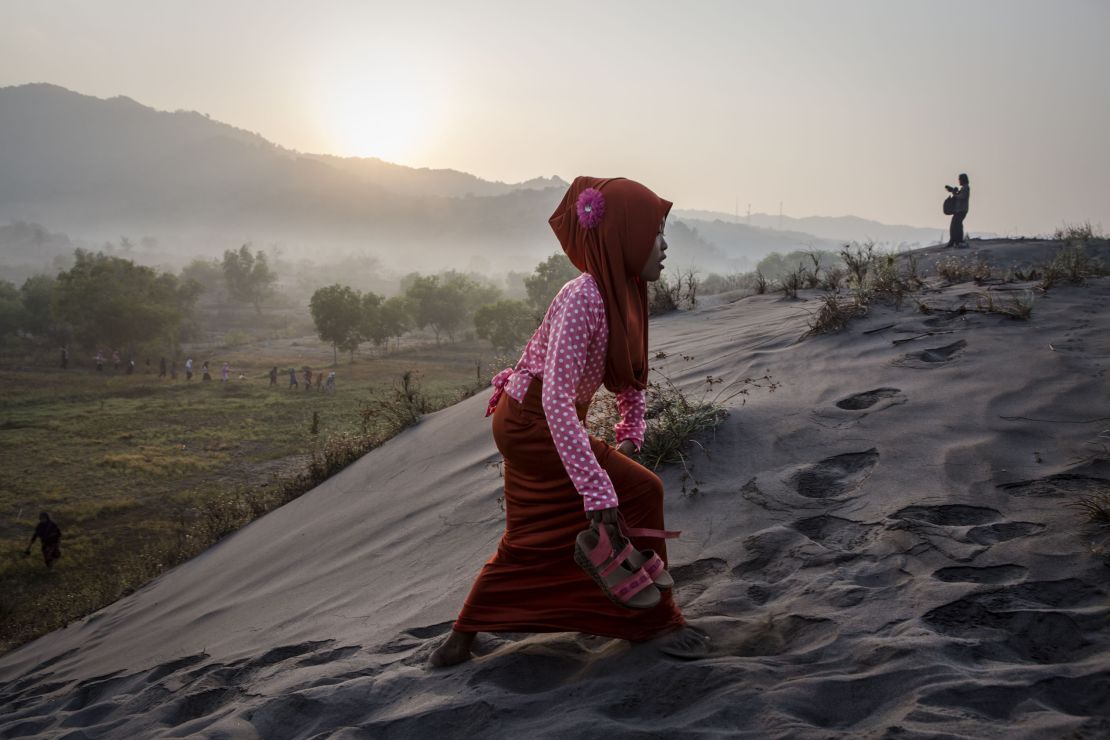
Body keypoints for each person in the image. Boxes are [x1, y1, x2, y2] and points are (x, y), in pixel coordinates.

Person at [430, 177, 707, 668]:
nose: (663, 246)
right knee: (642, 494)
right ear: (622, 236)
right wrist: (597, 489)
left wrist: (629, 434)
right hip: (533, 421)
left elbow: (629, 378)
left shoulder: (625, 292)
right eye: (654, 233)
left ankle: (462, 637)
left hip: (546, 422)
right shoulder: (584, 297)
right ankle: (652, 621)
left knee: (530, 536)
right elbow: (557, 399)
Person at [945, 173, 971, 248]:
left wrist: (954, 193)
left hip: (961, 210)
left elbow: (962, 197)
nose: (959, 181)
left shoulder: (966, 188)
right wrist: (953, 191)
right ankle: (956, 241)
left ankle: (955, 241)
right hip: (960, 210)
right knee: (957, 225)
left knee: (955, 225)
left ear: (963, 180)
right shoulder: (964, 188)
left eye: (959, 179)